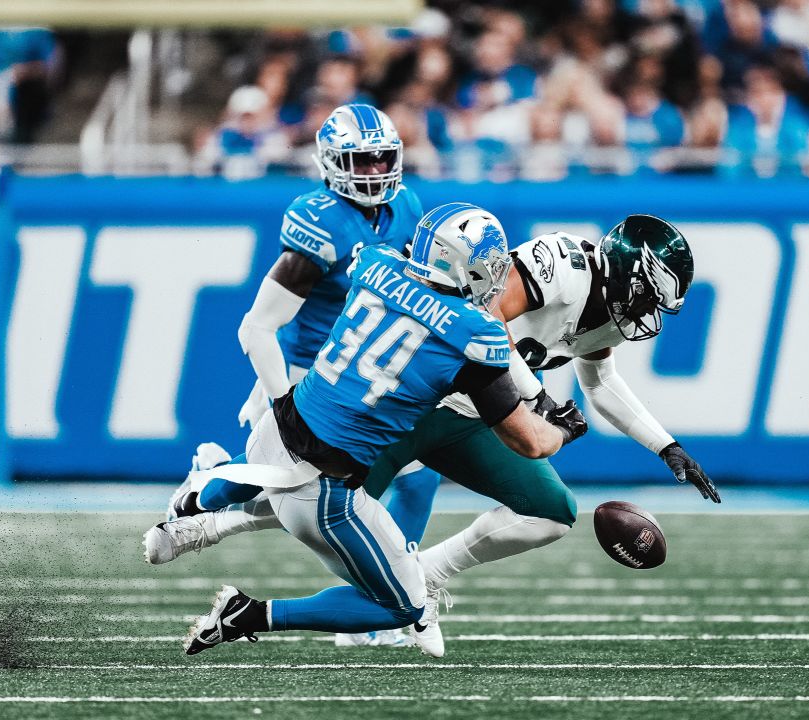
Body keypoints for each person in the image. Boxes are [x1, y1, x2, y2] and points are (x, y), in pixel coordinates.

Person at [148, 217, 722, 657]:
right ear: (627, 272)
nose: (648, 313)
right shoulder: (565, 266)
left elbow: (600, 384)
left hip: (481, 417)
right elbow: (489, 315)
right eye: (648, 295)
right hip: (423, 399)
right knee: (312, 491)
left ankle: (425, 581)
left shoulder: (605, 315)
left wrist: (664, 445)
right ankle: (209, 514)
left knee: (552, 511)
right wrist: (539, 399)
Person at [229, 103, 442, 648]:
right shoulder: (320, 219)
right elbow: (257, 326)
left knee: (416, 478)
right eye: (360, 161)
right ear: (331, 163)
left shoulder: (407, 205)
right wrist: (281, 402)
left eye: (381, 160)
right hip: (314, 381)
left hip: (369, 377)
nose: (373, 172)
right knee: (300, 501)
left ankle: (387, 603)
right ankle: (214, 486)